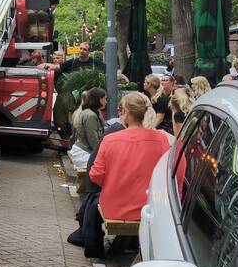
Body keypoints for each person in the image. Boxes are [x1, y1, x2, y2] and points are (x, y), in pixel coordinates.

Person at [89, 92, 172, 222]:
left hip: (114, 208)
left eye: (120, 110)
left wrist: (113, 182)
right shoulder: (161, 139)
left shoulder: (110, 140)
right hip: (149, 210)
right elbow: (168, 171)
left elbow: (95, 175)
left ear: (126, 112)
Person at [70, 88, 106, 169]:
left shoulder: (89, 112)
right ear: (99, 99)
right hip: (84, 154)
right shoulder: (90, 115)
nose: (106, 101)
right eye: (105, 99)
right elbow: (93, 141)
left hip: (83, 151)